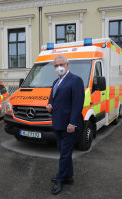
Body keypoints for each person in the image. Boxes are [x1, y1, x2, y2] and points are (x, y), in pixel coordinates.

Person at [46, 55, 85, 195]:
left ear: (67, 65)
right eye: (56, 66)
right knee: (64, 152)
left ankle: (60, 179)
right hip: (58, 123)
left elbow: (78, 104)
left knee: (64, 153)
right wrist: (49, 105)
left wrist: (73, 123)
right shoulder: (56, 81)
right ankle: (69, 176)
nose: (59, 68)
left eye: (61, 64)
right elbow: (52, 98)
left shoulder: (76, 80)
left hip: (69, 125)